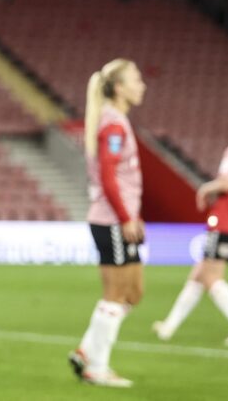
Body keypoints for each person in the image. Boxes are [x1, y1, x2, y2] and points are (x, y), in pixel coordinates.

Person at [68, 59, 146, 388]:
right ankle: (97, 367)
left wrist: (132, 213)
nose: (142, 85)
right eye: (136, 79)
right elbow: (108, 176)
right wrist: (126, 216)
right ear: (118, 88)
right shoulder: (113, 125)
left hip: (118, 218)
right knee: (116, 294)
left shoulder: (116, 121)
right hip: (112, 220)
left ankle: (87, 351)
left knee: (134, 292)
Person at [153, 145, 228, 344]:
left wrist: (206, 188)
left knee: (210, 277)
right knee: (198, 275)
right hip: (226, 222)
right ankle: (169, 327)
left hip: (225, 223)